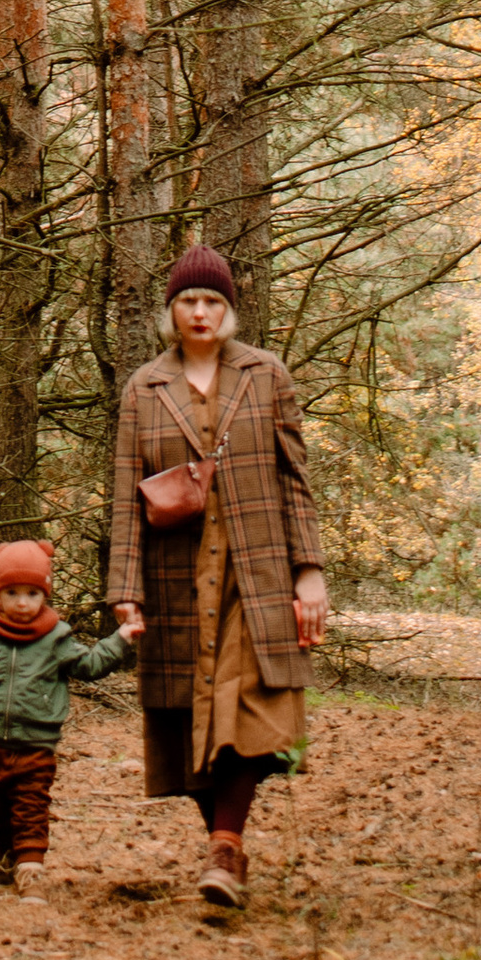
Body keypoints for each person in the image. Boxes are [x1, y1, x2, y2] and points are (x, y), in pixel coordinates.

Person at [105, 242, 329, 913]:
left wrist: (309, 571)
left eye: (212, 301)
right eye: (188, 301)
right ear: (170, 310)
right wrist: (124, 590)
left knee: (249, 704)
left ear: (229, 309)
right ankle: (224, 848)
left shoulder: (268, 375)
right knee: (188, 715)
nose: (200, 313)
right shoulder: (143, 388)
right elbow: (123, 496)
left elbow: (296, 480)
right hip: (174, 573)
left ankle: (225, 845)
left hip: (256, 568)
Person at [0, 538, 142, 894]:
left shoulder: (55, 638)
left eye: (32, 593)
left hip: (37, 744)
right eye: (11, 592)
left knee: (31, 804)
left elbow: (89, 665)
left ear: (44, 595)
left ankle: (30, 870)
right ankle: (4, 855)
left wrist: (120, 639)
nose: (21, 602)